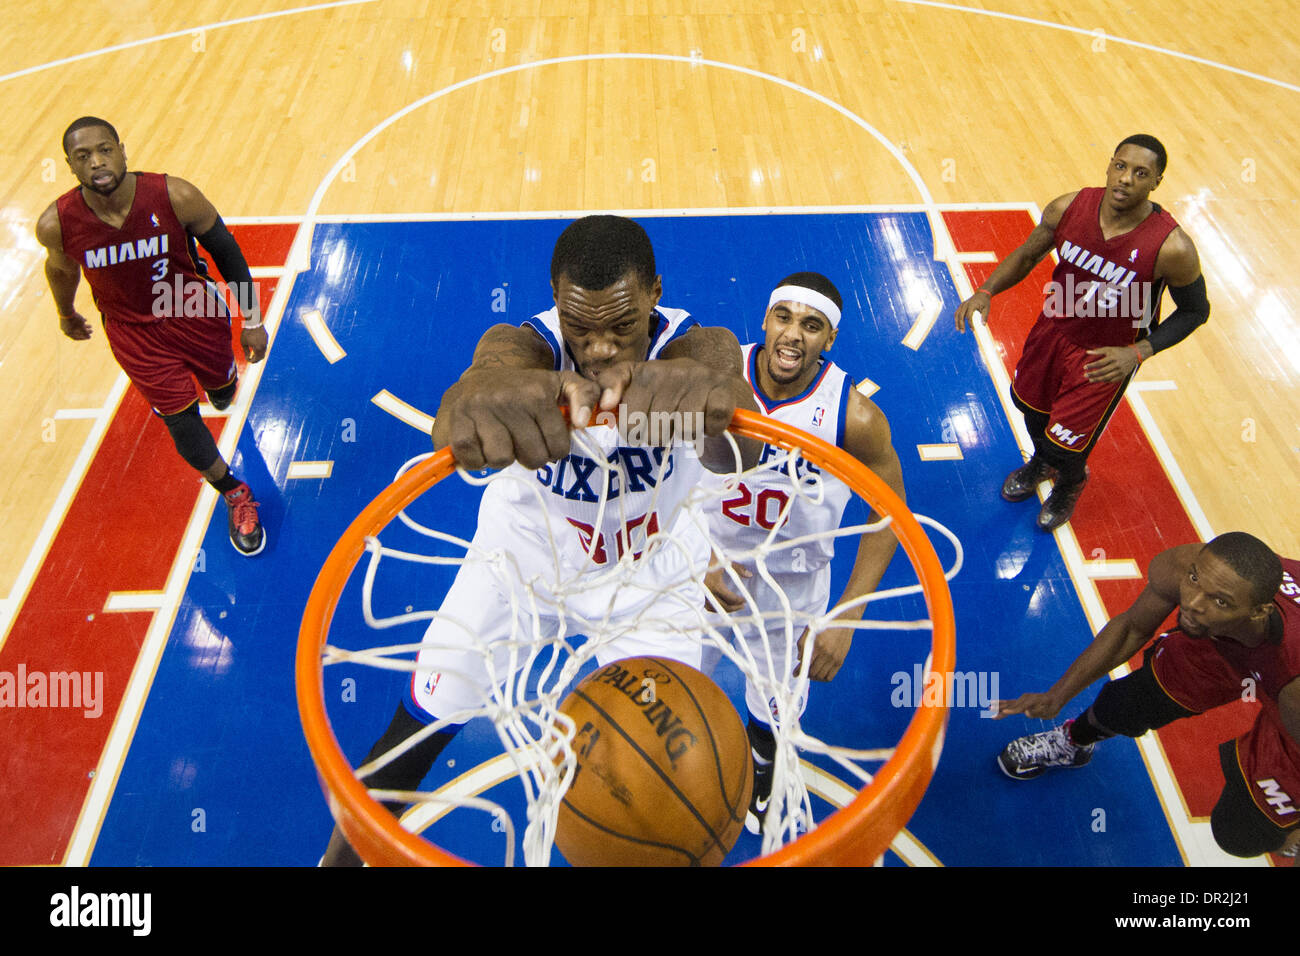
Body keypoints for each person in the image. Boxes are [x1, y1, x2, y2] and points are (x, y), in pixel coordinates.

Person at [321, 214, 760, 865]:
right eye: (581, 331)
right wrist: (477, 394)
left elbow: (738, 430)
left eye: (621, 327)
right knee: (422, 718)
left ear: (656, 295)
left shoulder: (699, 347)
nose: (602, 349)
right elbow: (481, 378)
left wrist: (714, 399)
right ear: (557, 307)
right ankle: (336, 862)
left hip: (647, 578)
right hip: (520, 564)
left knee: (667, 781)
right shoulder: (523, 346)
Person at [701, 272, 906, 835]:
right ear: (764, 321)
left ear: (830, 340)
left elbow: (890, 513)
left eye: (811, 325)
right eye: (784, 318)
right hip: (701, 572)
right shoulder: (713, 379)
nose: (793, 336)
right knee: (667, 681)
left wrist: (848, 615)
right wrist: (693, 556)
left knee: (772, 707)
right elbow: (660, 471)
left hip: (788, 590)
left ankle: (762, 774)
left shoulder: (853, 415)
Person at [36, 117, 268, 555]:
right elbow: (60, 269)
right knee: (180, 420)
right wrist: (65, 314)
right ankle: (234, 491)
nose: (97, 162)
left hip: (193, 311)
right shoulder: (58, 224)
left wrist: (252, 320)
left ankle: (221, 388)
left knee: (222, 390)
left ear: (123, 149)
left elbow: (227, 252)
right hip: (134, 334)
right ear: (70, 166)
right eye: (83, 157)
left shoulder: (175, 195)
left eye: (105, 149)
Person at [953, 134, 1209, 531]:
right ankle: (1041, 462)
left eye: (1141, 173)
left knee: (1068, 443)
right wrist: (986, 290)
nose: (1126, 179)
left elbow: (1196, 310)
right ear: (1109, 165)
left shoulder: (1172, 246)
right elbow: (1028, 252)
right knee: (1030, 410)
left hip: (1105, 357)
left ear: (1156, 182)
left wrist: (1139, 351)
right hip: (1053, 330)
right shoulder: (1068, 206)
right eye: (1120, 166)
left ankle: (1071, 481)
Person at [997, 532, 1300, 860]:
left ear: (1259, 612)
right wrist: (1057, 695)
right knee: (1126, 704)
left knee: (1241, 834)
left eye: (1219, 601)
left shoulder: (1292, 688)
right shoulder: (1191, 569)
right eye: (1195, 581)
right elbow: (1131, 628)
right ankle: (1072, 742)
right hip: (1226, 639)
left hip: (1284, 691)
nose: (1194, 603)